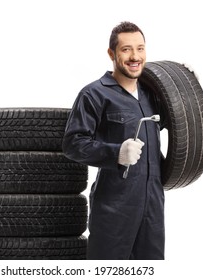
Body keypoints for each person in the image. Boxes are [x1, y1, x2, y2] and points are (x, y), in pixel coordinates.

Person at [62, 21, 166, 260]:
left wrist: (185, 84)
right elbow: (73, 144)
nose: (134, 56)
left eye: (140, 49)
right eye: (126, 49)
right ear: (111, 53)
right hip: (114, 208)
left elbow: (183, 124)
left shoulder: (154, 95)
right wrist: (116, 152)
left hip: (153, 208)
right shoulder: (94, 94)